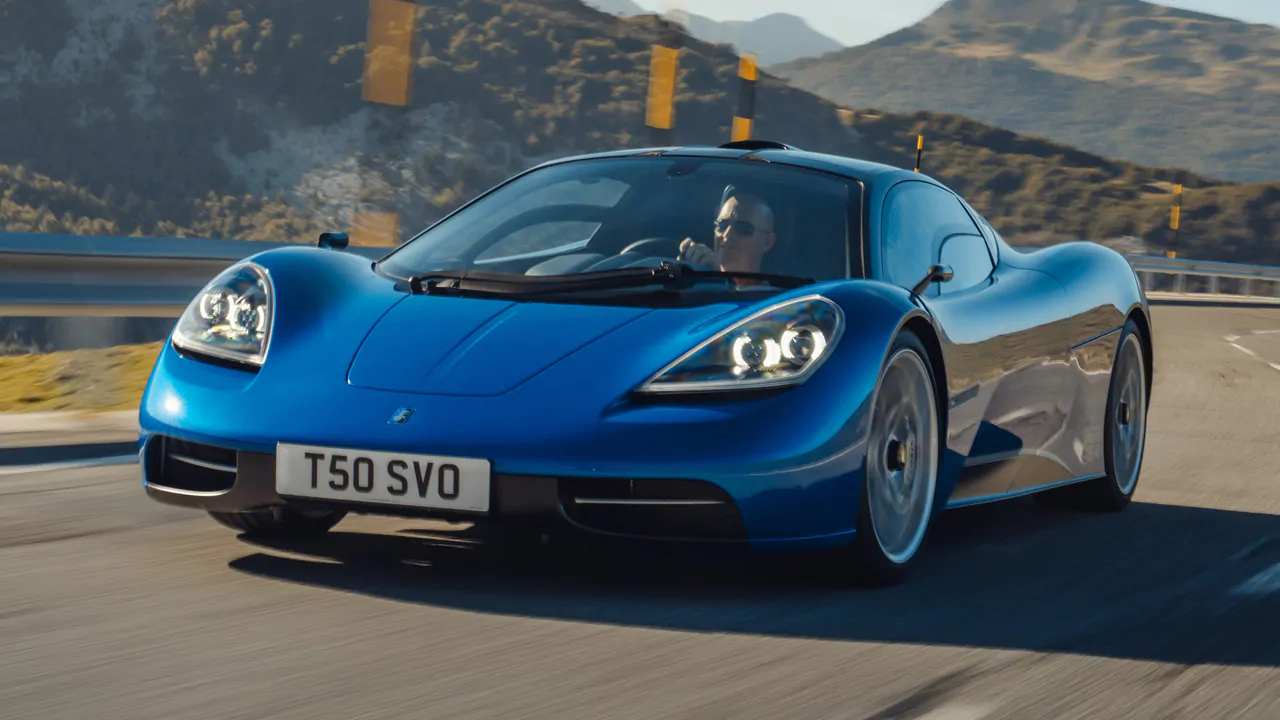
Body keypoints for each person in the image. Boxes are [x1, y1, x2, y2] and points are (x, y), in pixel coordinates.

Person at [678, 193, 777, 277]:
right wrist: (679, 269)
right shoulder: (699, 277)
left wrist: (720, 276)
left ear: (767, 242)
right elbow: (663, 276)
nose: (726, 235)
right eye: (722, 225)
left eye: (742, 229)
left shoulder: (781, 297)